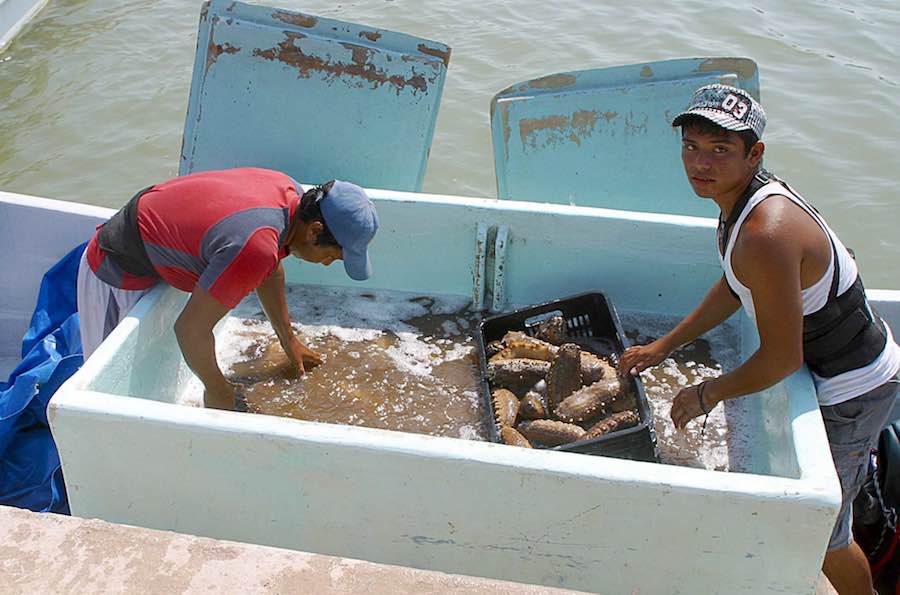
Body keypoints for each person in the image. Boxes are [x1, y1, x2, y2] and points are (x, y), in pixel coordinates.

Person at [617, 84, 900, 595]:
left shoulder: (767, 232)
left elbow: (781, 358)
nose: (701, 164)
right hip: (840, 367)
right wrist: (667, 345)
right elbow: (735, 284)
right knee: (832, 517)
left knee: (824, 536)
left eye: (720, 150)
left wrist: (706, 394)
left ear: (755, 154)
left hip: (855, 389)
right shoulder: (738, 204)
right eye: (692, 147)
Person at [77, 167, 378, 410]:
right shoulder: (256, 246)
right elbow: (189, 330)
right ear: (315, 230)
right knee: (103, 403)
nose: (326, 264)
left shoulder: (288, 194)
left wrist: (289, 341)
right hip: (114, 272)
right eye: (331, 257)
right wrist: (217, 389)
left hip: (151, 244)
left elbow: (270, 269)